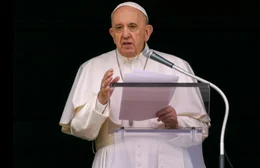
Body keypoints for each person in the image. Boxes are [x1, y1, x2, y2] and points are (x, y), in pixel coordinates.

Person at [59, 1, 211, 168]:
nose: (125, 34)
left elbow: (201, 130)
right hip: (115, 161)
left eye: (132, 26)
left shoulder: (177, 66)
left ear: (147, 32)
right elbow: (80, 131)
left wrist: (176, 123)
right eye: (119, 28)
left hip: (169, 160)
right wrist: (100, 100)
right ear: (112, 33)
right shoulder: (92, 67)